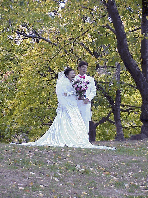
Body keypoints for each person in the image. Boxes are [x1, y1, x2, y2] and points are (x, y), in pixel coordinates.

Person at [19, 67, 115, 150]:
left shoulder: (75, 82)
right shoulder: (64, 83)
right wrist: (71, 95)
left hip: (74, 105)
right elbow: (63, 94)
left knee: (79, 122)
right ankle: (66, 138)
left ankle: (79, 139)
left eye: (74, 73)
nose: (74, 75)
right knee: (66, 121)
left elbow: (80, 91)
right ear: (67, 75)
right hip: (68, 106)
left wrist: (80, 92)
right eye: (72, 73)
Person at [75, 61, 96, 135]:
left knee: (85, 120)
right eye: (83, 67)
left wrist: (88, 98)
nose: (84, 69)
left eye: (86, 68)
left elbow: (93, 91)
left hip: (86, 103)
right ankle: (76, 137)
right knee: (76, 120)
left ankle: (85, 138)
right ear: (79, 68)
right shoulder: (74, 79)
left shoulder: (90, 79)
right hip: (77, 103)